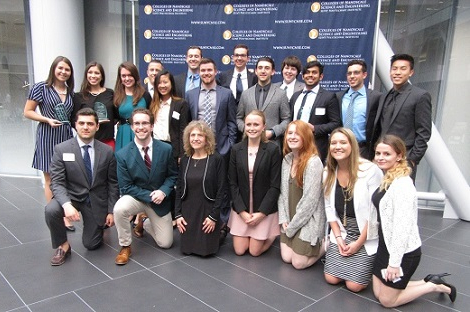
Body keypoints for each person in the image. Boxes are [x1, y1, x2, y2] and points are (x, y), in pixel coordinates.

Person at [371, 135, 456, 307]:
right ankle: (428, 281)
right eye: (378, 153)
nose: (380, 157)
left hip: (403, 252)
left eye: (386, 154)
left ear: (400, 155)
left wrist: (394, 264)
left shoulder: (403, 184)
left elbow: (402, 228)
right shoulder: (387, 177)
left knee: (387, 301)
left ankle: (434, 286)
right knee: (378, 293)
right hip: (385, 246)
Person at [45, 108, 119, 265]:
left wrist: (111, 211)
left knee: (91, 244)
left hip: (95, 200)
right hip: (71, 196)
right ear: (75, 125)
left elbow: (113, 182)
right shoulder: (62, 149)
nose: (86, 127)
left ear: (97, 127)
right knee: (51, 210)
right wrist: (66, 205)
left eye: (90, 124)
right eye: (82, 123)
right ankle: (63, 245)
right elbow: (56, 182)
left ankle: (97, 226)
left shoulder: (107, 151)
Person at [113, 108, 178, 265]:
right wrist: (150, 196)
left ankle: (145, 222)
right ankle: (125, 245)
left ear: (151, 126)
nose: (141, 127)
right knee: (119, 209)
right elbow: (126, 187)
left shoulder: (166, 149)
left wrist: (163, 191)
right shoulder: (122, 155)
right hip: (137, 197)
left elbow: (173, 175)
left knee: (166, 243)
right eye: (137, 123)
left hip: (160, 200)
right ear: (131, 127)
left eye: (144, 123)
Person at [323, 128, 383, 292]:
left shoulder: (370, 170)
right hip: (342, 230)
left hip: (365, 232)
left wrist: (358, 243)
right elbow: (329, 208)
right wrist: (338, 237)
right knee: (331, 278)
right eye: (334, 143)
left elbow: (375, 214)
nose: (338, 146)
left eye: (343, 142)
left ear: (352, 145)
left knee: (354, 286)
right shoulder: (328, 171)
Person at [185, 57, 237, 242]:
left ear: (215, 72)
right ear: (198, 73)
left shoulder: (226, 94)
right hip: (198, 150)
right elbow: (188, 122)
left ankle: (222, 224)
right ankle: (201, 221)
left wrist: (228, 145)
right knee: (200, 186)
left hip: (220, 149)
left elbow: (232, 121)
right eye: (203, 70)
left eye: (209, 70)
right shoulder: (190, 94)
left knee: (221, 187)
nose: (206, 73)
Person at [24, 56, 76, 231]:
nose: (63, 72)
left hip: (66, 137)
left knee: (65, 177)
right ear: (54, 68)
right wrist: (47, 119)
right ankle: (58, 216)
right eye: (60, 68)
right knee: (50, 178)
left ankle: (66, 210)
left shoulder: (70, 92)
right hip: (48, 135)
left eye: (67, 69)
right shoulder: (41, 88)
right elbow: (28, 112)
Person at [228, 110, 281, 256]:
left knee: (254, 252)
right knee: (239, 251)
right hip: (243, 208)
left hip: (262, 208)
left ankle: (271, 235)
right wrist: (242, 212)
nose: (252, 128)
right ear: (244, 126)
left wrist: (262, 213)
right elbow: (232, 183)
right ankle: (252, 233)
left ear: (264, 126)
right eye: (249, 124)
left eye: (256, 124)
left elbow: (275, 185)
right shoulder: (236, 149)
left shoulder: (273, 150)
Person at [371, 54, 432, 180]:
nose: (397, 72)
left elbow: (424, 133)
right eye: (394, 68)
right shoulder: (384, 96)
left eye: (403, 69)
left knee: (401, 197)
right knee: (379, 196)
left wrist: (412, 160)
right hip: (382, 160)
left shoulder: (420, 96)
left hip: (404, 160)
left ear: (411, 72)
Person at [278, 120, 325, 269]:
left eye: (297, 133)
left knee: (298, 264)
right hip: (290, 217)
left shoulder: (313, 162)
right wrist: (284, 218)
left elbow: (309, 203)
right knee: (286, 257)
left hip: (307, 219)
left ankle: (325, 244)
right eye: (290, 133)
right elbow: (282, 193)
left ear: (306, 136)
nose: (292, 137)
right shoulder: (287, 159)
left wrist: (291, 228)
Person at [175, 121, 227, 256]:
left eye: (200, 135)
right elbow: (179, 188)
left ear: (207, 139)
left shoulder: (216, 159)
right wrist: (178, 214)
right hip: (188, 211)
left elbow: (222, 190)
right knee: (186, 250)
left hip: (207, 210)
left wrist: (214, 217)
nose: (196, 138)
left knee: (206, 251)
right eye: (192, 135)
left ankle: (221, 230)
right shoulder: (185, 159)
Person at [289, 61, 341, 162]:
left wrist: (315, 128)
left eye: (314, 72)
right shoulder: (295, 96)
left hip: (316, 147)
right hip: (294, 147)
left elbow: (336, 124)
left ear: (321, 76)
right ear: (303, 76)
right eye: (307, 72)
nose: (310, 75)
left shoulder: (328, 97)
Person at [237, 56, 291, 145]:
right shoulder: (246, 94)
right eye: (260, 68)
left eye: (267, 68)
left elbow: (286, 119)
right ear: (256, 71)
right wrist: (247, 129)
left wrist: (273, 132)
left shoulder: (281, 94)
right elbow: (239, 118)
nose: (263, 71)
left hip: (272, 144)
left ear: (273, 72)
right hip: (249, 143)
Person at [336, 60, 381, 159]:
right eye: (349, 73)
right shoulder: (339, 97)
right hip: (341, 148)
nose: (352, 76)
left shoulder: (375, 97)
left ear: (364, 75)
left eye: (356, 72)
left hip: (363, 149)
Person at [73, 61, 118, 150]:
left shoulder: (110, 93)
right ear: (86, 75)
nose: (93, 76)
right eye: (90, 72)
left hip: (107, 141)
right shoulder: (78, 96)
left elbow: (116, 115)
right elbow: (74, 120)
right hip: (86, 142)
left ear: (102, 76)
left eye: (97, 73)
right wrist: (91, 123)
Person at [114, 62, 151, 152]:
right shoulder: (116, 96)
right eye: (123, 76)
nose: (127, 78)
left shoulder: (145, 95)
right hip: (124, 134)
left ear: (135, 76)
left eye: (130, 75)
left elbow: (151, 115)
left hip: (142, 132)